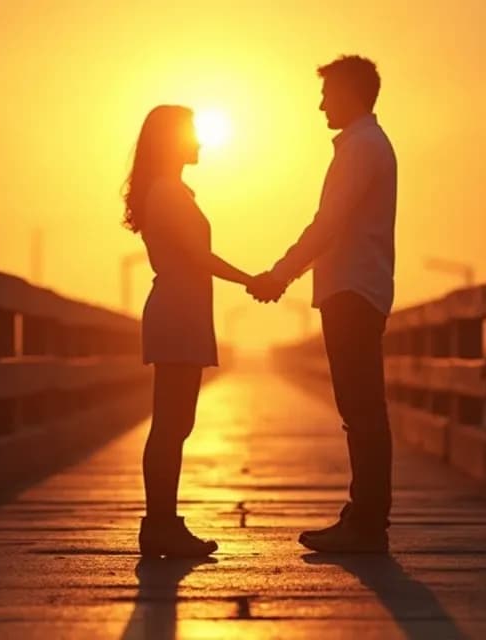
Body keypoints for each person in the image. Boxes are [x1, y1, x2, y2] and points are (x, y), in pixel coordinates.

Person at [248, 55, 398, 553]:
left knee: (362, 410)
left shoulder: (360, 148)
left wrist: (280, 273)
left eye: (327, 93)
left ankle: (367, 524)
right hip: (354, 287)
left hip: (352, 291)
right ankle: (365, 518)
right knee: (361, 410)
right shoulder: (364, 145)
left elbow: (327, 225)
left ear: (351, 93)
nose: (320, 105)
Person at [125, 105, 253, 557]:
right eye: (193, 134)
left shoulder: (171, 191)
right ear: (171, 141)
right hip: (178, 313)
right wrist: (253, 280)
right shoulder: (166, 193)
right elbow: (200, 257)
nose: (200, 142)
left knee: (176, 424)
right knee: (170, 425)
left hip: (184, 312)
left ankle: (162, 523)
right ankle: (160, 525)